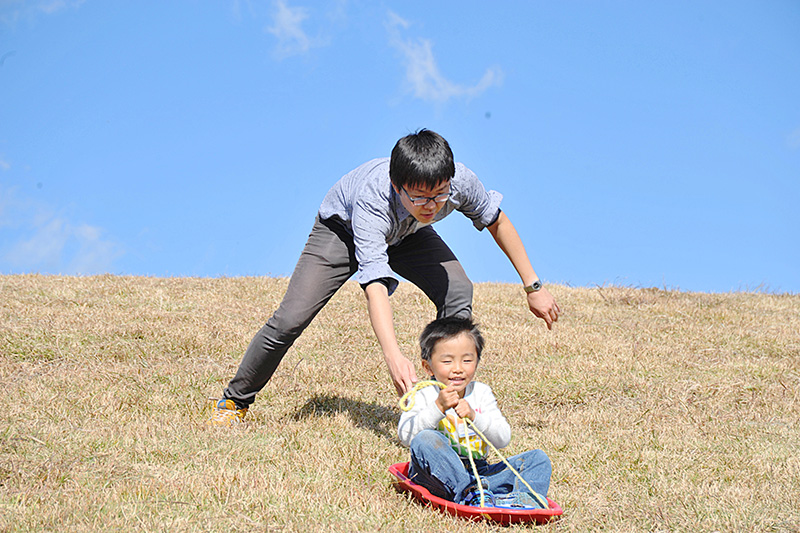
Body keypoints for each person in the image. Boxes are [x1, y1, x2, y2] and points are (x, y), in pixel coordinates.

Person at [207, 129, 560, 426]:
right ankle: (233, 402)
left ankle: (448, 406)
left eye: (439, 195)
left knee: (458, 290)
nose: (432, 205)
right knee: (290, 319)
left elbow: (495, 219)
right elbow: (375, 285)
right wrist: (393, 357)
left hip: (408, 233)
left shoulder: (459, 182)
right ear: (397, 185)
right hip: (341, 233)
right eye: (420, 196)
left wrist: (533, 287)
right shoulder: (373, 198)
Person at [397, 316, 551, 507]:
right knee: (425, 439)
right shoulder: (424, 394)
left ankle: (520, 499)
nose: (458, 369)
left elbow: (503, 439)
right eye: (447, 361)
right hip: (437, 475)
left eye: (467, 360)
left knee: (537, 459)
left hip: (479, 474)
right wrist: (438, 408)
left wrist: (474, 416)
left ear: (477, 362)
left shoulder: (481, 393)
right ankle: (469, 494)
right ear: (428, 367)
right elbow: (405, 436)